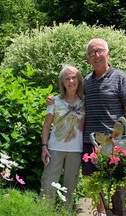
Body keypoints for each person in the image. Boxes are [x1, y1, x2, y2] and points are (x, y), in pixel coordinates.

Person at [47, 38, 126, 216]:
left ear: (108, 53)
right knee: (93, 180)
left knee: (118, 181)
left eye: (99, 51)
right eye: (91, 53)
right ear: (87, 59)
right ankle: (101, 213)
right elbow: (70, 95)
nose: (96, 55)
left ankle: (121, 212)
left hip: (116, 141)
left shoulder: (120, 77)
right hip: (90, 140)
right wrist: (52, 100)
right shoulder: (86, 81)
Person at [40, 64, 85, 209]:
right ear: (62, 82)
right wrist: (44, 147)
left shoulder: (85, 101)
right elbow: (46, 125)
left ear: (78, 80)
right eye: (67, 78)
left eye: (74, 78)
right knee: (48, 184)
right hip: (54, 149)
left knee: (70, 187)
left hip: (76, 150)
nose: (71, 81)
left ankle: (66, 212)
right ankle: (44, 212)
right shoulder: (54, 101)